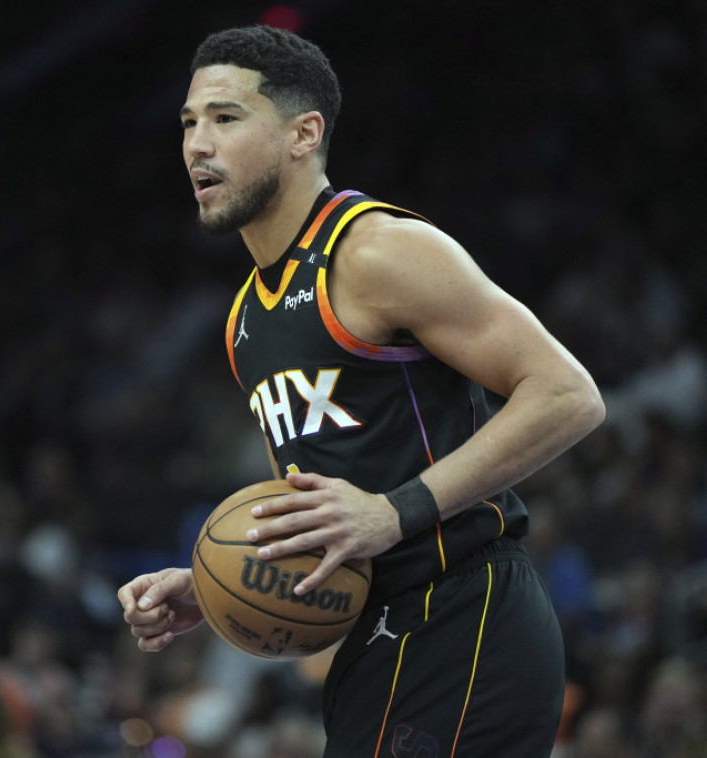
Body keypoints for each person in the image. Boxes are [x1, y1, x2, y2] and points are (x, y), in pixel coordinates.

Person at [117, 24, 605, 758]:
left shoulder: (375, 249)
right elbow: (328, 515)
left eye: (225, 117)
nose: (197, 145)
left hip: (463, 614)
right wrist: (219, 582)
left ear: (303, 134)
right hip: (380, 636)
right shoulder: (245, 319)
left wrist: (392, 511)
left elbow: (567, 394)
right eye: (188, 123)